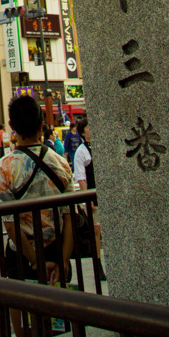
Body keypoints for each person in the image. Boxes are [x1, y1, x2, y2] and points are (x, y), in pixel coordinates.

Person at [0, 94, 74, 337]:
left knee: (25, 334)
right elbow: (69, 216)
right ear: (42, 126)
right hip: (57, 251)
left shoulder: (3, 168)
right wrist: (61, 260)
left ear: (12, 127)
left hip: (21, 256)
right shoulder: (60, 163)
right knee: (59, 332)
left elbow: (10, 224)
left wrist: (36, 263)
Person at [73, 118, 106, 281]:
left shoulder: (102, 146)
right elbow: (80, 177)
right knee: (96, 231)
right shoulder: (81, 151)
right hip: (93, 195)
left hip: (105, 193)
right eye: (88, 128)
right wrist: (87, 198)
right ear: (82, 132)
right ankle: (97, 263)